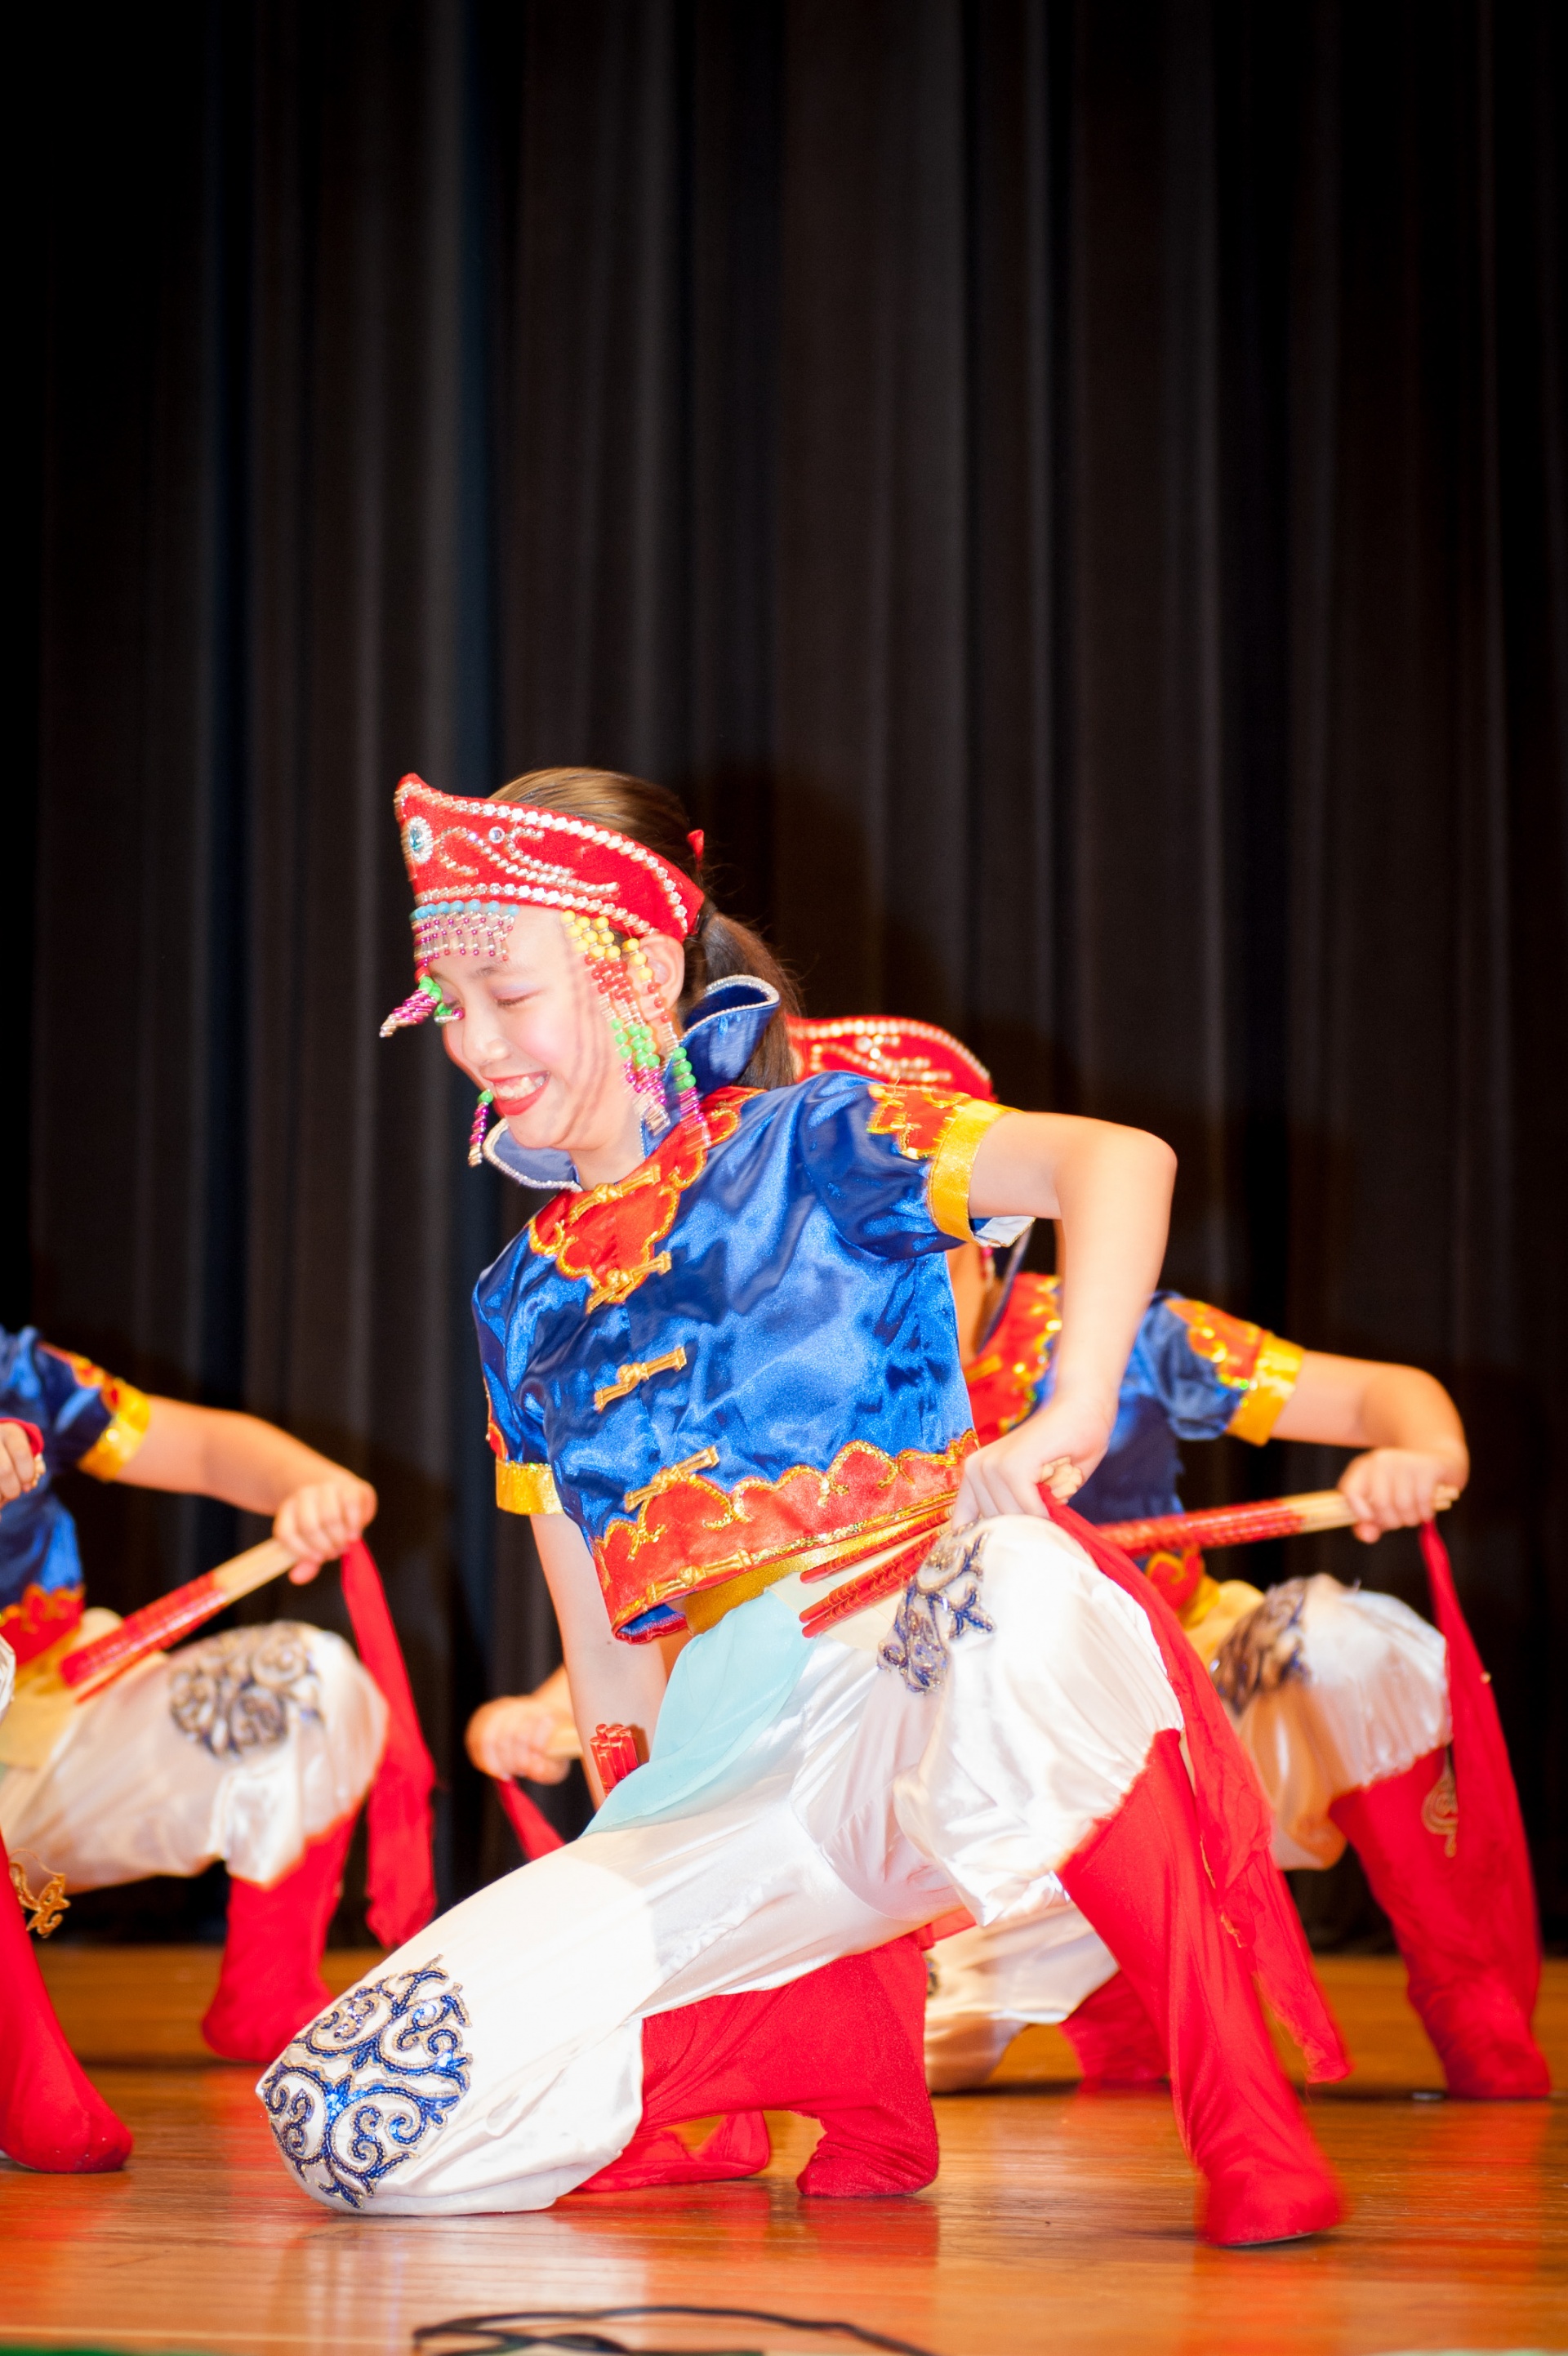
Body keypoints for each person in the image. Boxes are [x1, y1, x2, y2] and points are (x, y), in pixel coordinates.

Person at [258, 767, 1344, 2247]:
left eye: (506, 994)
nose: (475, 1043)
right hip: (727, 1765)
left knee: (1023, 1586)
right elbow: (605, 1645)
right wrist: (647, 1870)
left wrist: (1073, 1411)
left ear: (640, 968)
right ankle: (832, 2043)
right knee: (348, 2111)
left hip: (917, 1671)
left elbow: (1117, 1161)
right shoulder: (519, 1299)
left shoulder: (815, 1140)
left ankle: (1243, 2115)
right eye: (448, 1006)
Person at [0, 1330, 387, 2164]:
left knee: (301, 1685)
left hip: (44, 1729)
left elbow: (207, 1447)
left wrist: (308, 1486)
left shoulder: (19, 1372)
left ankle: (267, 1993)